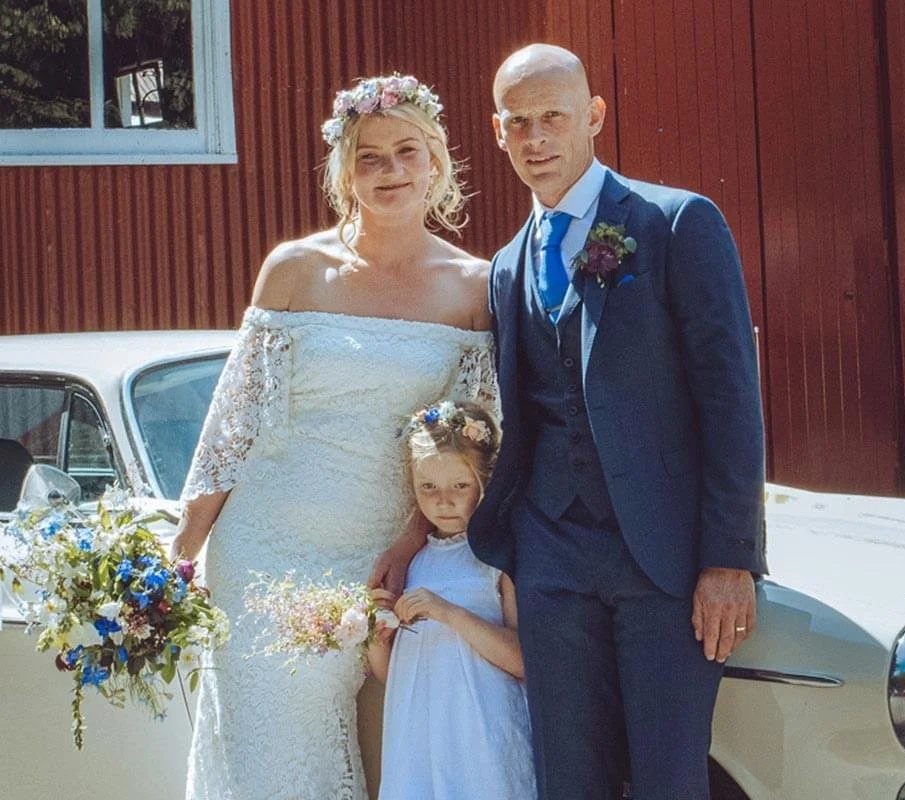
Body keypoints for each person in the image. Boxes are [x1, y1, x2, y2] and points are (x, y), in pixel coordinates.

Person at [171, 74, 498, 800]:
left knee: (394, 760)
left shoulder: (474, 288)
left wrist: (412, 543)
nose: (390, 172)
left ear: (437, 163)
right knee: (271, 758)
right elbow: (232, 426)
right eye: (370, 158)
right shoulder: (294, 271)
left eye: (406, 153)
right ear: (343, 171)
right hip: (265, 551)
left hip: (391, 554)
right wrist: (178, 555)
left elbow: (469, 444)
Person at [473, 43, 766, 798]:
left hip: (663, 557)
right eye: (519, 123)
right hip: (551, 555)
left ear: (594, 117)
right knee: (569, 779)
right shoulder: (507, 265)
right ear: (498, 133)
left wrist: (730, 557)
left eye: (553, 118)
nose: (536, 139)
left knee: (668, 777)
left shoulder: (675, 223)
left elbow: (729, 396)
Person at [366, 400, 535, 800]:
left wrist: (446, 612)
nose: (444, 501)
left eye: (459, 486)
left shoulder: (496, 557)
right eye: (429, 488)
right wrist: (377, 637)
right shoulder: (414, 563)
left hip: (481, 737)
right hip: (420, 741)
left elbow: (523, 660)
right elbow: (393, 675)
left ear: (483, 481)